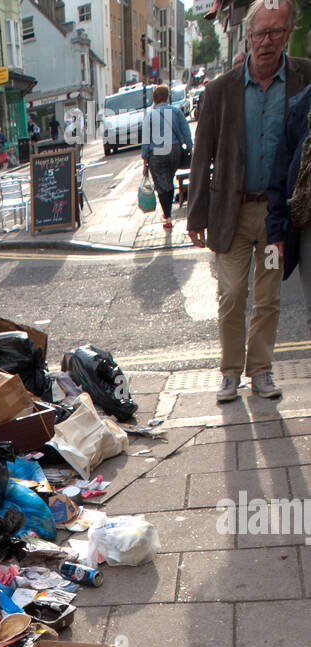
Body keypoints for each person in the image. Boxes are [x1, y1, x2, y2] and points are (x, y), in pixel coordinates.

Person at [187, 0, 311, 403]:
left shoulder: (303, 77)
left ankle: (261, 371)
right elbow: (202, 152)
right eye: (259, 33)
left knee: (269, 295)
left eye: (275, 32)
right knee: (232, 293)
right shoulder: (221, 89)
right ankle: (229, 373)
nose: (266, 41)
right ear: (248, 35)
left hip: (278, 218)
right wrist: (196, 213)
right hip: (231, 213)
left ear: (287, 33)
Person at [266, 78, 311, 324]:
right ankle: (256, 365)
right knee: (260, 294)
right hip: (301, 220)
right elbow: (282, 170)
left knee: (267, 298)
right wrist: (275, 230)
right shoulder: (304, 104)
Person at [141, 85, 193, 231]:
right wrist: (190, 148)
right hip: (174, 151)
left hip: (156, 154)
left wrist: (145, 162)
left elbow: (146, 141)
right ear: (167, 97)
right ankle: (168, 213)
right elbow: (186, 132)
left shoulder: (150, 115)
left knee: (161, 185)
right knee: (169, 180)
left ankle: (168, 217)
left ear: (155, 98)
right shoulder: (176, 112)